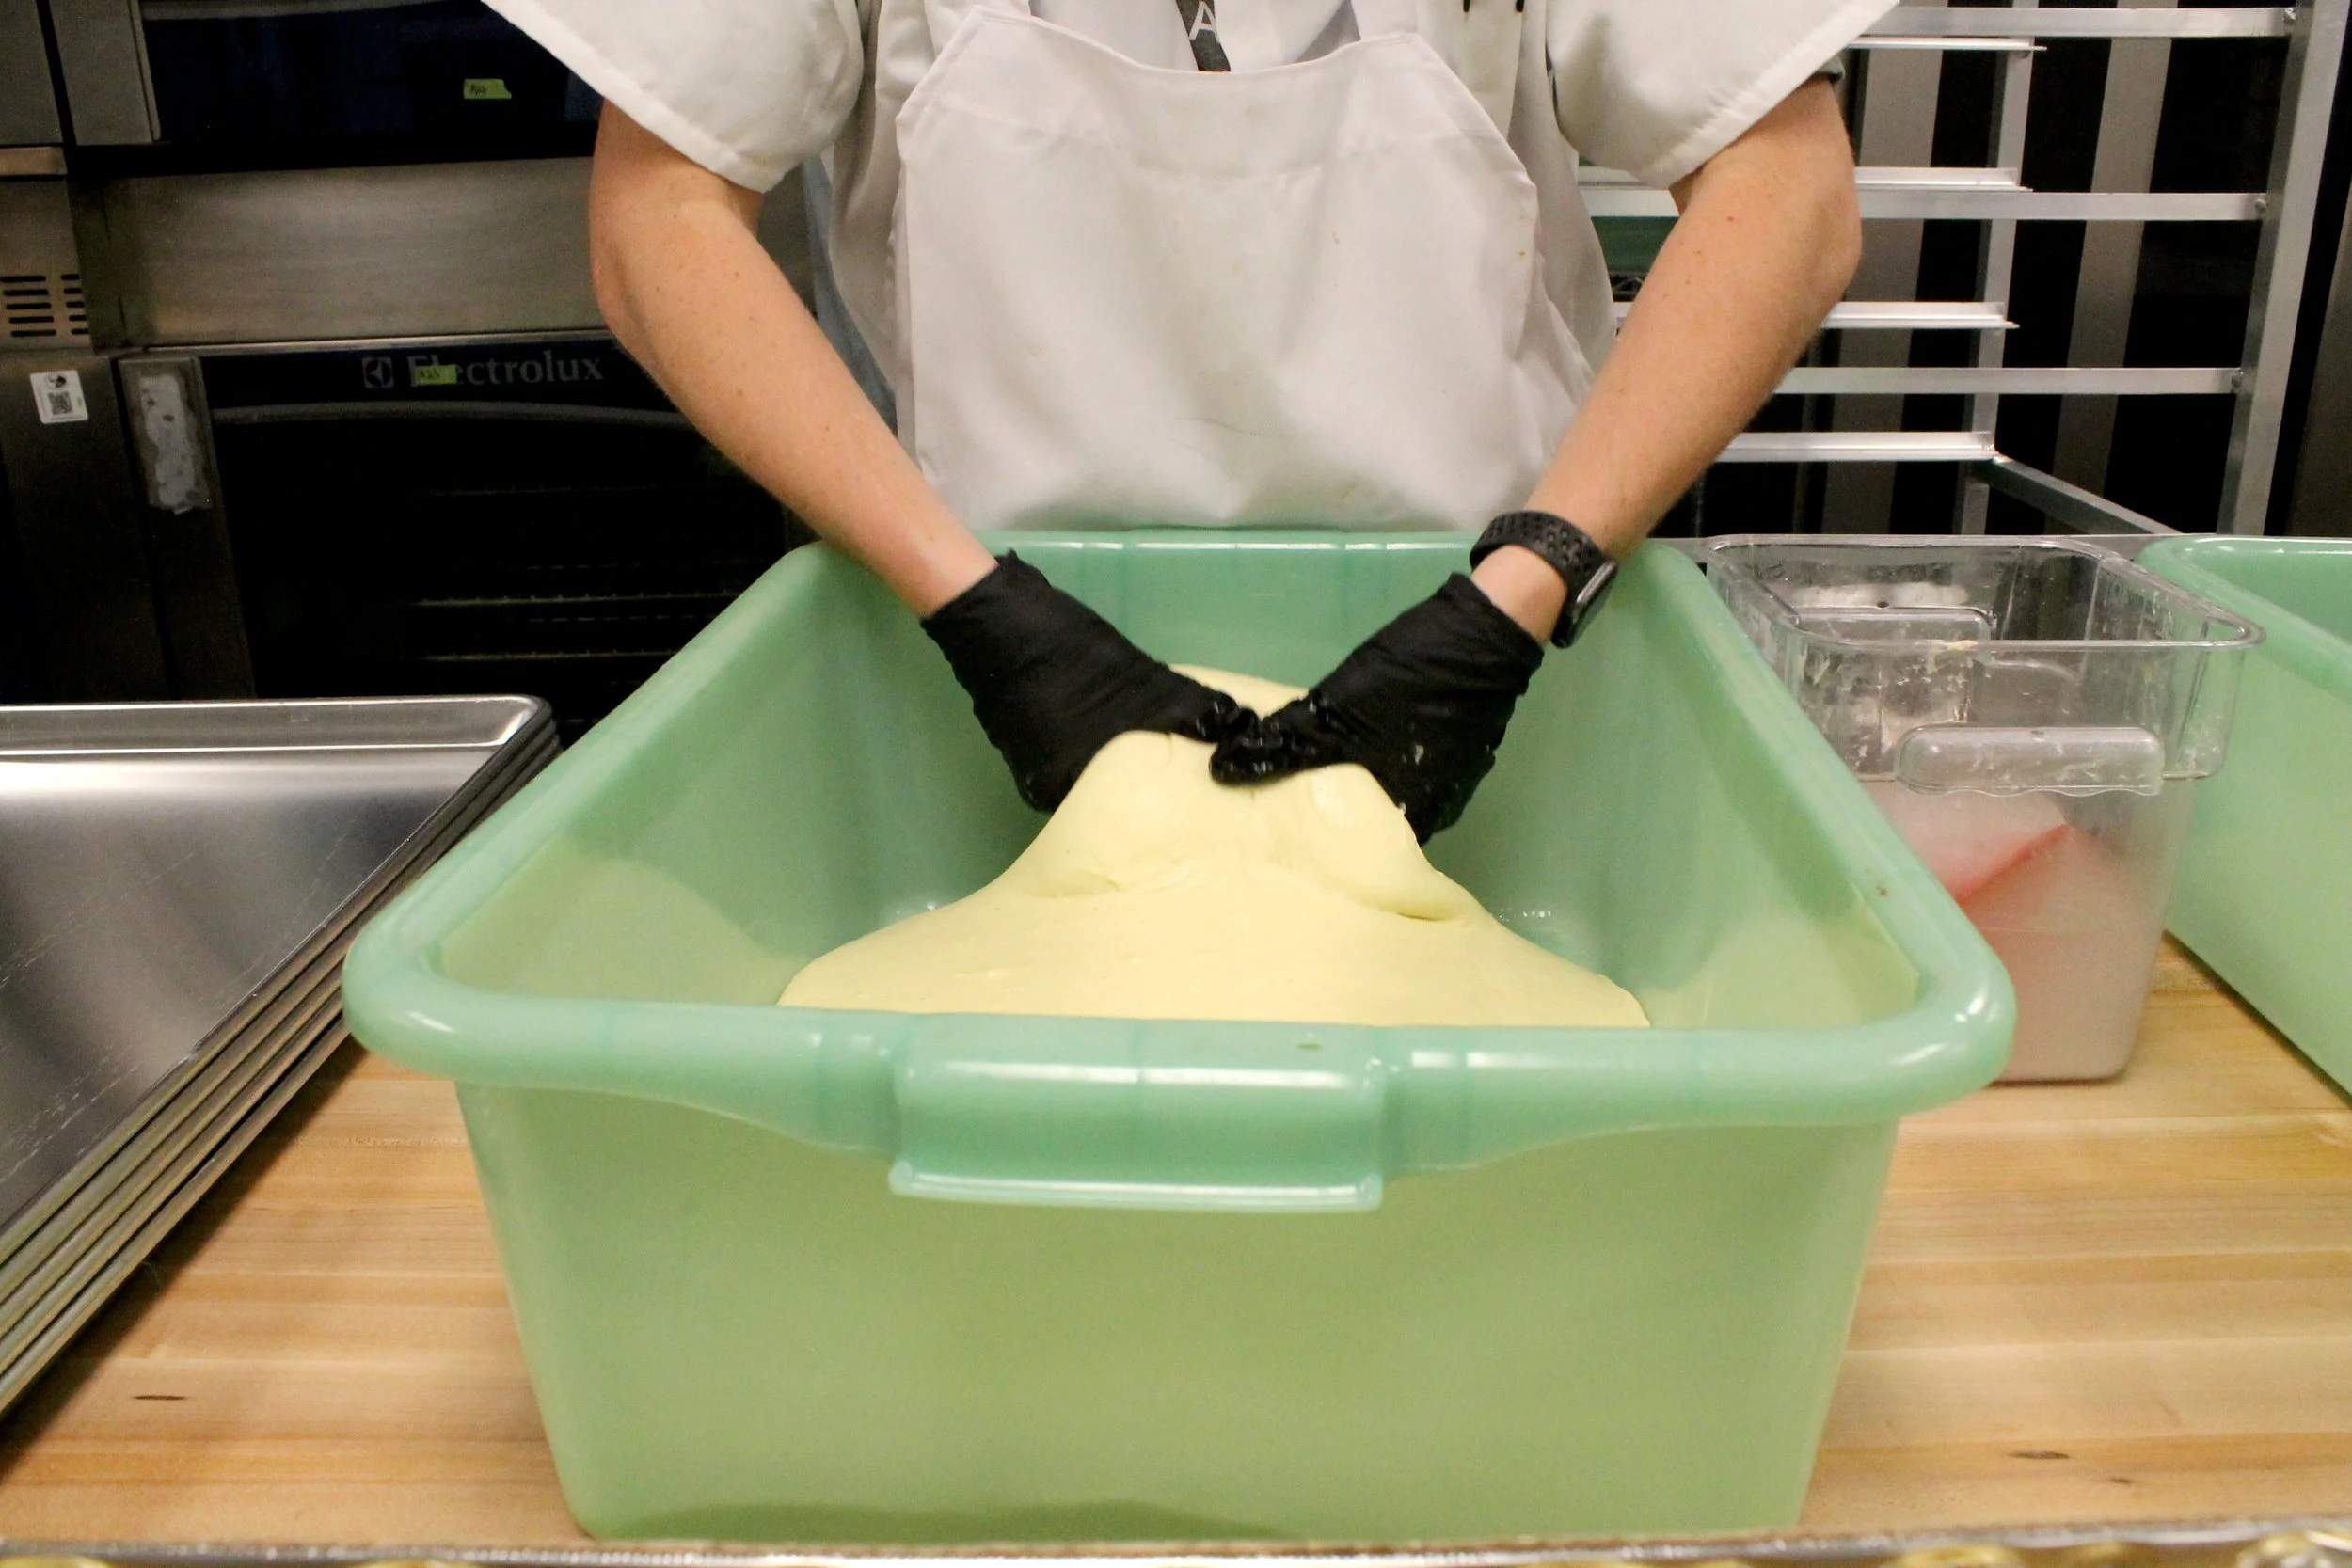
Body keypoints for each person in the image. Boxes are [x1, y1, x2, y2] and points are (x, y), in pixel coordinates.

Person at [515, 0, 1870, 836]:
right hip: (986, 678)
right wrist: (976, 609)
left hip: (1487, 670)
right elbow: (661, 217)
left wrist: (1522, 592)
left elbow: (1785, 189)